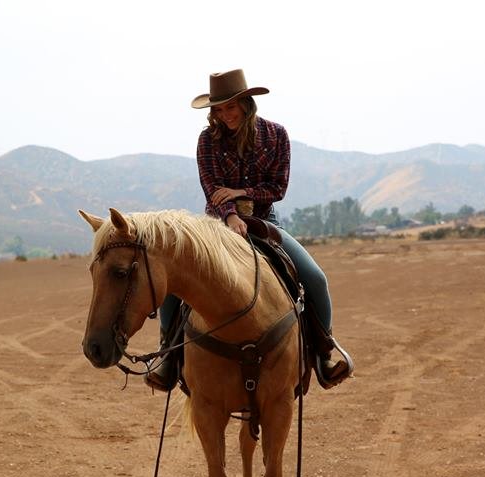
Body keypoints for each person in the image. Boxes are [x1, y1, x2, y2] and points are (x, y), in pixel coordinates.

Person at [145, 68, 352, 391]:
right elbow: (212, 187)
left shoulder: (276, 135)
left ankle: (325, 352)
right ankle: (169, 357)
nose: (225, 115)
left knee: (314, 278)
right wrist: (229, 215)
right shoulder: (208, 140)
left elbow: (278, 188)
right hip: (215, 227)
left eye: (231, 106)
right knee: (175, 283)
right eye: (219, 109)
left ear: (246, 103)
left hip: (265, 221)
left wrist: (242, 194)